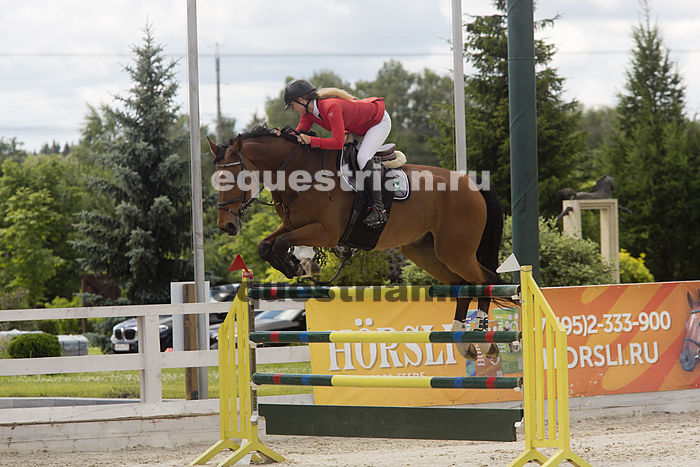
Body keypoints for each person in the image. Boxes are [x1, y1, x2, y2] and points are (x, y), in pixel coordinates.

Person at [282, 78, 391, 228]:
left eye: (292, 105)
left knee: (362, 157)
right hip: (360, 126)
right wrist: (280, 136)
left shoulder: (330, 106)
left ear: (301, 100)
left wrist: (311, 140)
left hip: (378, 121)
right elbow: (298, 133)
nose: (293, 109)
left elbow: (337, 143)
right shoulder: (309, 113)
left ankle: (378, 209)